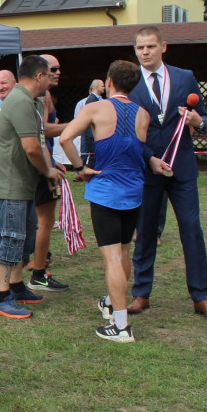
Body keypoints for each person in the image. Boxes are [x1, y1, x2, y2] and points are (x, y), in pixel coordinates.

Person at [127, 26, 207, 318]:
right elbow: (127, 131)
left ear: (163, 47)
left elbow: (204, 116)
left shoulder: (185, 77)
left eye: (151, 47)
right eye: (140, 48)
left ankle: (201, 297)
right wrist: (150, 159)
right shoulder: (129, 84)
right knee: (144, 234)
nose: (145, 52)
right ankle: (141, 293)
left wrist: (198, 120)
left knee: (191, 230)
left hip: (181, 169)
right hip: (147, 168)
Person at [60, 61, 148, 343]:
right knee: (123, 252)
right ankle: (112, 302)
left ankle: (121, 327)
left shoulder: (95, 108)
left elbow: (65, 138)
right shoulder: (143, 114)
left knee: (112, 258)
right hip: (134, 192)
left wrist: (79, 167)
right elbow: (138, 150)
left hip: (106, 191)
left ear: (109, 81)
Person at [0, 55, 63, 319]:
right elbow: (31, 147)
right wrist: (47, 170)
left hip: (21, 184)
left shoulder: (29, 101)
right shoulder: (19, 101)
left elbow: (40, 137)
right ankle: (2, 297)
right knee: (9, 239)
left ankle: (17, 287)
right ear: (39, 76)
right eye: (50, 73)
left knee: (22, 238)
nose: (54, 77)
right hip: (9, 185)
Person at [26, 54, 70, 294]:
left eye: (59, 68)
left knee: (38, 220)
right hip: (38, 166)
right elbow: (41, 134)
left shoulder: (45, 96)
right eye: (53, 68)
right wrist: (74, 125)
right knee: (43, 221)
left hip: (45, 161)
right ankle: (37, 271)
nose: (58, 72)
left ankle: (30, 263)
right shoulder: (39, 97)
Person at [74, 79, 106, 165]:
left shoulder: (102, 101)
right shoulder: (90, 100)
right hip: (89, 131)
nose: (104, 87)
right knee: (86, 152)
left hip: (94, 131)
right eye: (102, 85)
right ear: (96, 87)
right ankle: (81, 170)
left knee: (93, 153)